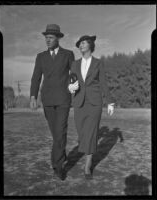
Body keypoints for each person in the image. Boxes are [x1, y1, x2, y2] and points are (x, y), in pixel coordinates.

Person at [30, 24, 75, 180]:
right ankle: (61, 155)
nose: (47, 40)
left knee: (60, 131)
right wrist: (33, 97)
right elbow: (36, 77)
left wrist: (73, 86)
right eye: (46, 38)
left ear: (58, 38)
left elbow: (73, 74)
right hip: (47, 99)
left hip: (63, 98)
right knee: (56, 134)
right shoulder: (40, 56)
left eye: (50, 38)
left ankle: (58, 165)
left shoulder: (68, 54)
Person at [68, 35, 115, 179]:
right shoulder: (74, 64)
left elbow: (103, 83)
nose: (80, 45)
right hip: (79, 102)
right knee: (82, 132)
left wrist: (110, 102)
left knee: (92, 133)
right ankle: (86, 149)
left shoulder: (98, 63)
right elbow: (71, 81)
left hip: (94, 103)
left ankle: (88, 165)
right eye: (79, 44)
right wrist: (70, 87)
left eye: (83, 43)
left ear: (90, 45)